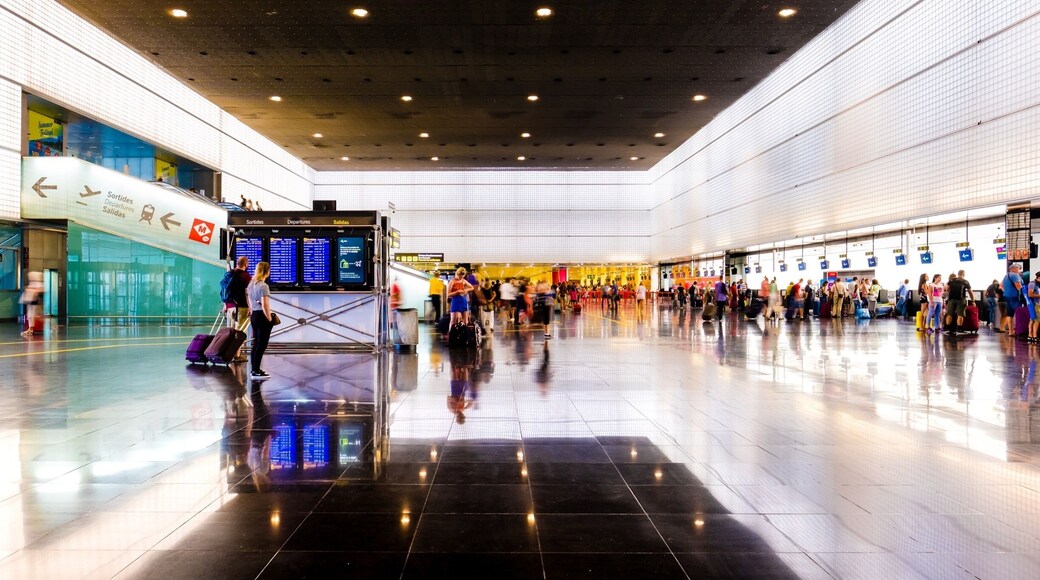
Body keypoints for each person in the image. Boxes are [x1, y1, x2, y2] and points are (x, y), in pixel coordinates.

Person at [247, 261, 274, 379]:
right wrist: (269, 318)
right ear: (266, 271)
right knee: (262, 344)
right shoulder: (264, 286)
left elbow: (250, 301)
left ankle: (255, 369)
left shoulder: (251, 284)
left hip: (254, 315)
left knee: (256, 344)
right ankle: (256, 371)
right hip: (262, 316)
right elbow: (265, 305)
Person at [226, 257, 252, 332]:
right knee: (240, 333)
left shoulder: (229, 274)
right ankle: (240, 344)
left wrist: (225, 305)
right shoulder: (246, 276)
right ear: (246, 264)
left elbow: (225, 291)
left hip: (230, 307)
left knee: (230, 333)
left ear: (237, 263)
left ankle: (230, 344)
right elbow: (247, 293)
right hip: (242, 307)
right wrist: (250, 307)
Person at [1001, 263, 1025, 334]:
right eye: (1019, 268)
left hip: (1007, 296)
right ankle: (1019, 330)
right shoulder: (1015, 275)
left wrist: (1006, 291)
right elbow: (1018, 286)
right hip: (1015, 297)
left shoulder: (1006, 275)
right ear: (1014, 269)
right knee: (1019, 313)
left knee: (1009, 314)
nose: (1020, 270)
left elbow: (1001, 286)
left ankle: (1011, 332)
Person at [19, 271, 44, 337]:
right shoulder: (32, 283)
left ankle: (52, 326)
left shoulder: (38, 283)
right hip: (31, 301)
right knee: (30, 315)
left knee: (38, 315)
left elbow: (41, 290)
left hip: (36, 302)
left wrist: (34, 290)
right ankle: (30, 329)